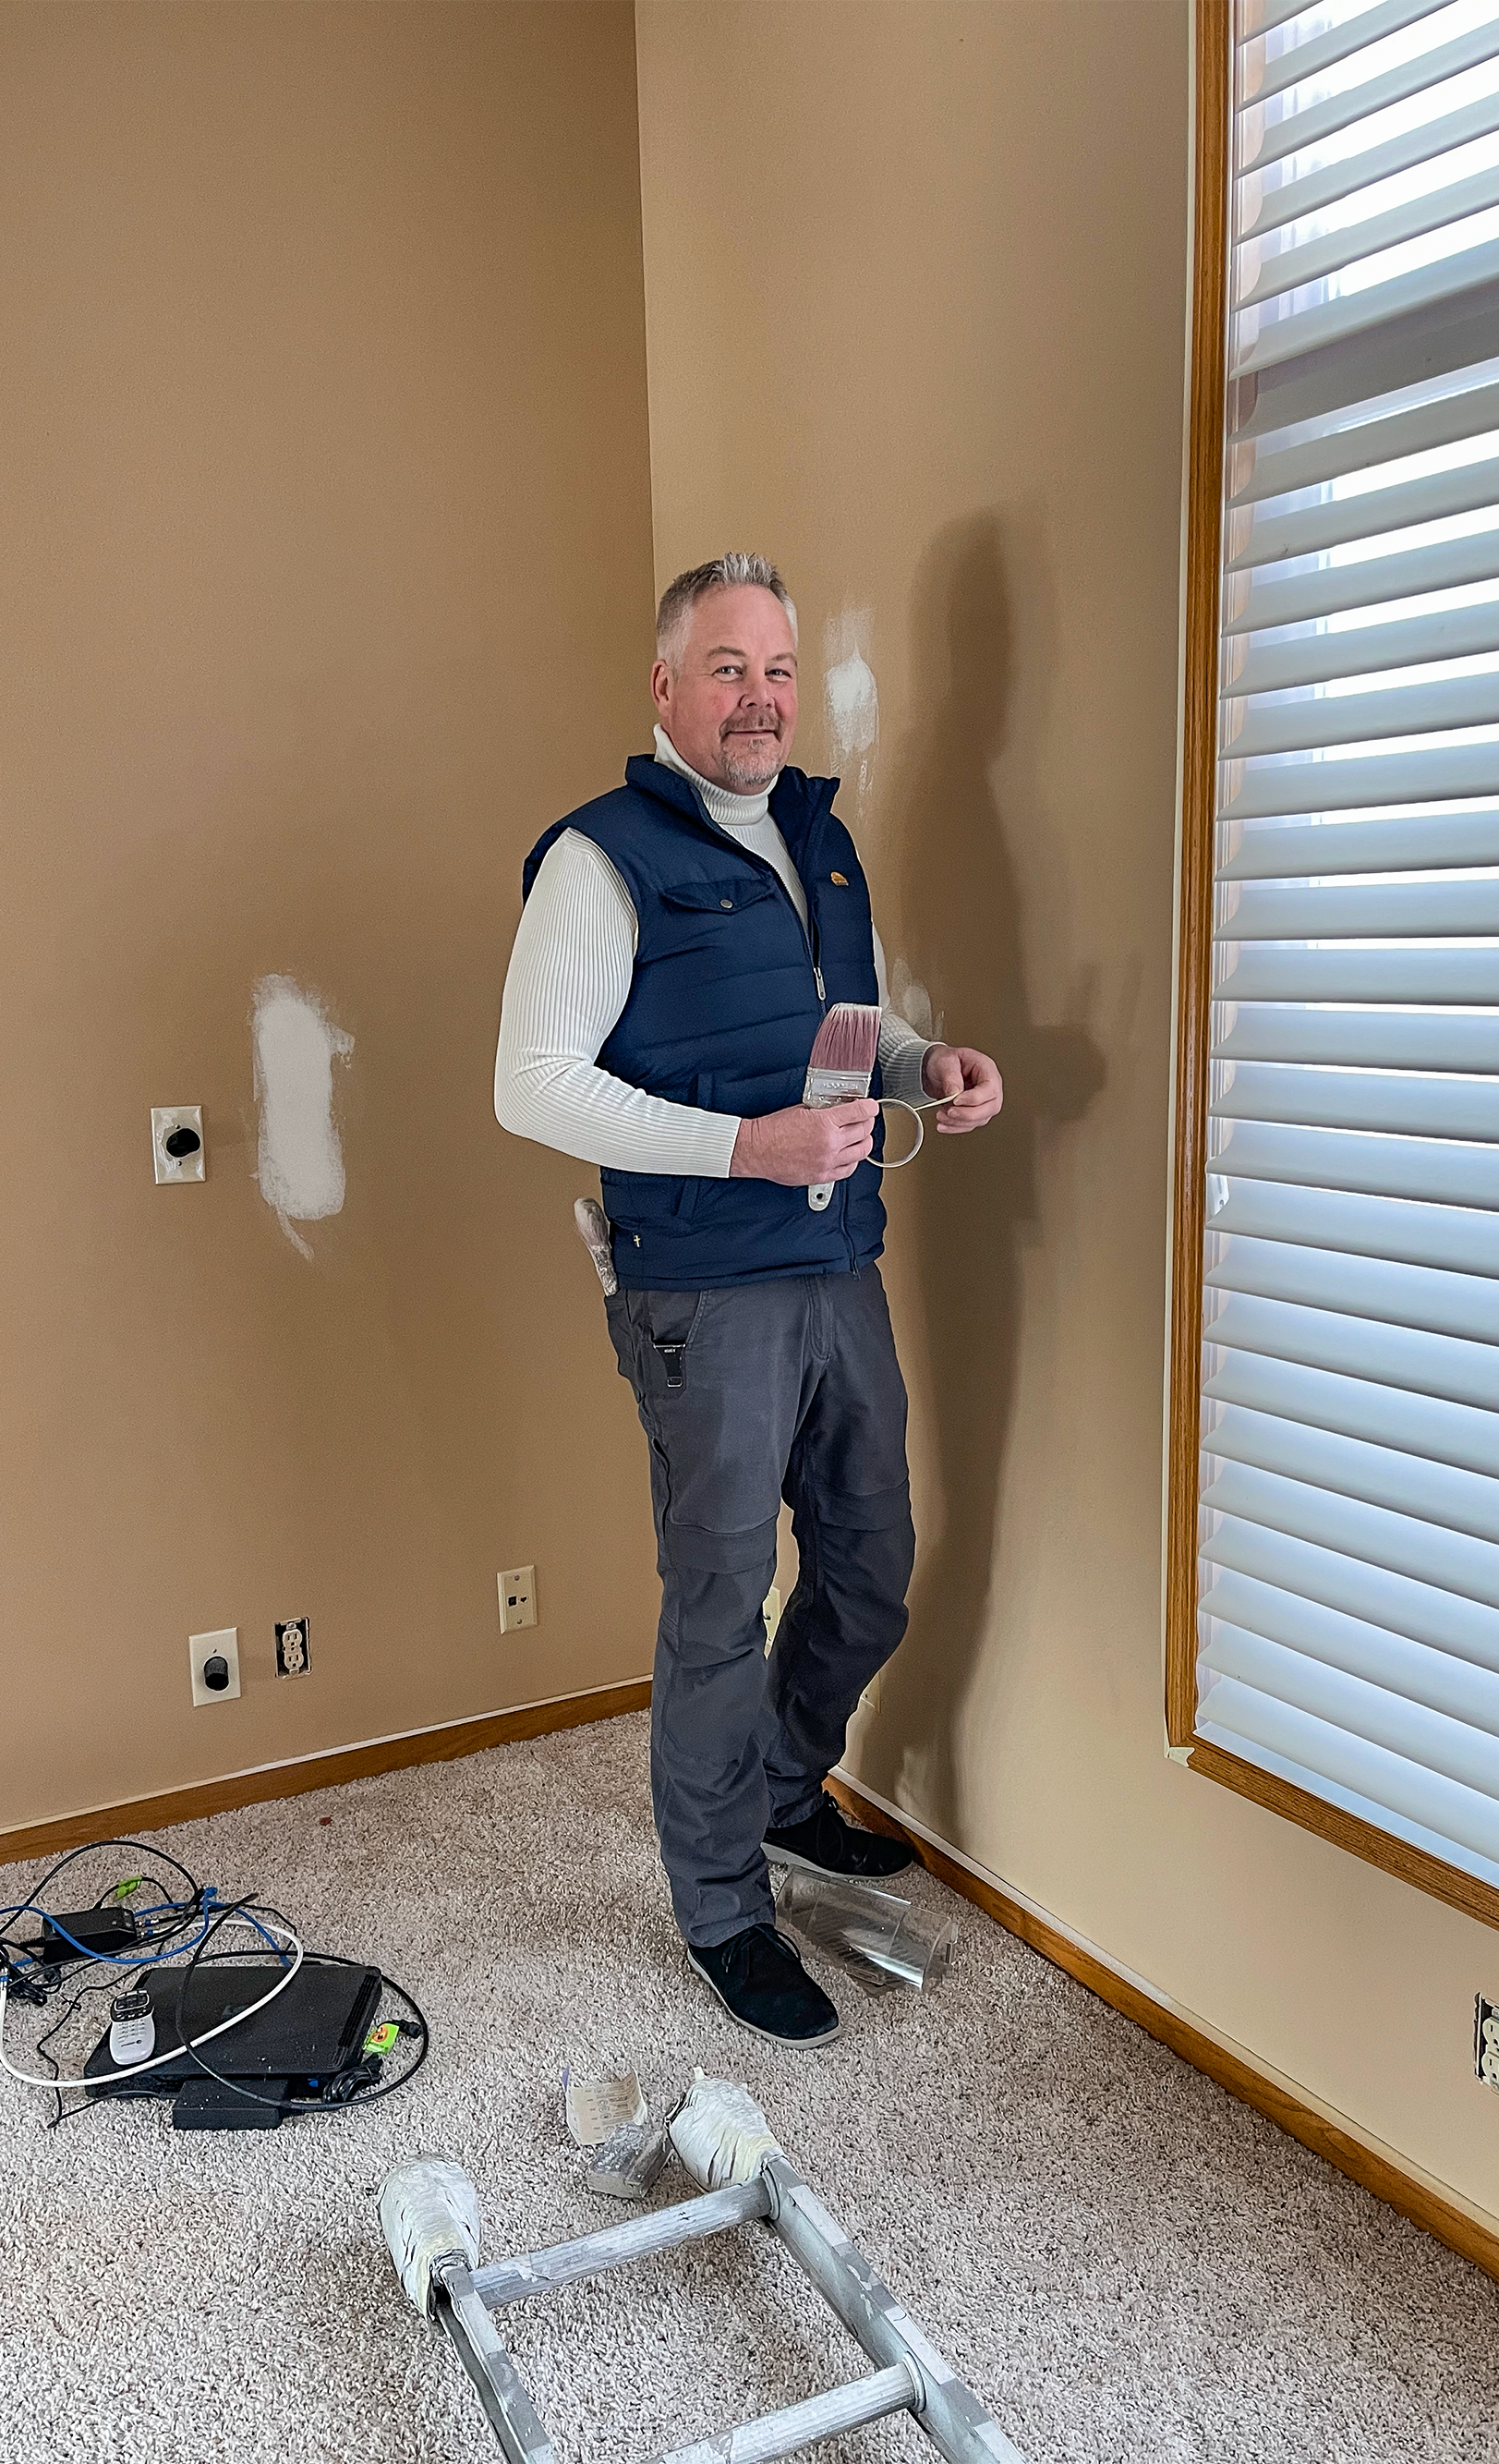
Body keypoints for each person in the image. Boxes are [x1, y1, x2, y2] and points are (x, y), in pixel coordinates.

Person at [494, 553, 1003, 2045]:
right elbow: (530, 1084)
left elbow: (848, 1027)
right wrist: (746, 1147)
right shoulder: (600, 857)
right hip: (703, 1291)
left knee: (874, 1556)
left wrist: (924, 1066)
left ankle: (783, 1787)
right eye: (728, 669)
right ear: (666, 686)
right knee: (720, 1600)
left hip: (837, 1260)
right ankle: (722, 1904)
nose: (760, 698)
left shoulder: (819, 842)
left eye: (777, 670)